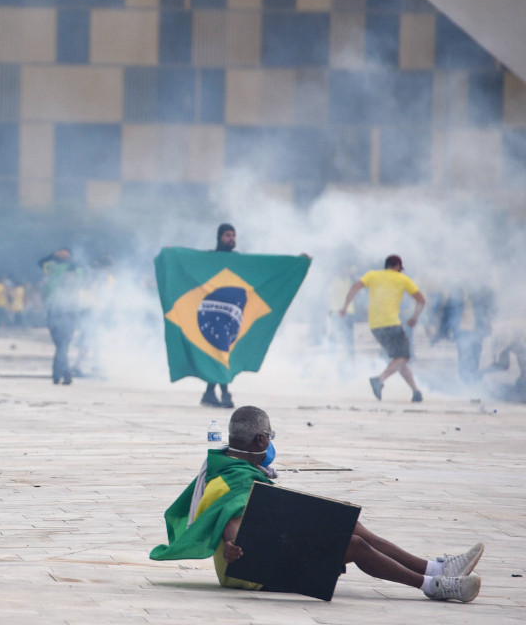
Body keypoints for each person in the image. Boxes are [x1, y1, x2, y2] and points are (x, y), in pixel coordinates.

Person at [150, 406, 483, 602]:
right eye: (270, 436)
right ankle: (433, 586)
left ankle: (435, 567)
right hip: (247, 569)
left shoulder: (225, 463)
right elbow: (232, 517)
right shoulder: (236, 478)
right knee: (353, 545)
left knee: (346, 524)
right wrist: (231, 542)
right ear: (261, 440)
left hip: (258, 549)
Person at [339, 255, 427, 402]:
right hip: (391, 323)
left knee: (398, 359)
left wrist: (344, 307)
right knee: (404, 357)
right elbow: (421, 300)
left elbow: (355, 287)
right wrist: (415, 317)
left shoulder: (372, 275)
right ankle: (379, 380)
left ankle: (416, 391)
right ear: (398, 266)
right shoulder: (402, 279)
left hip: (374, 325)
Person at [199, 223, 238, 408]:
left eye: (233, 235)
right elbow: (189, 264)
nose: (231, 239)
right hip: (212, 313)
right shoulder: (210, 259)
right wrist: (170, 255)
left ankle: (209, 392)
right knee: (219, 351)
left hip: (230, 314)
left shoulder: (238, 261)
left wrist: (297, 261)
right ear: (219, 237)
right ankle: (224, 393)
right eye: (227, 235)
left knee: (219, 352)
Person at [38, 248, 81, 385]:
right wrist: (53, 255)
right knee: (61, 345)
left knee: (62, 346)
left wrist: (55, 256)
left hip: (64, 313)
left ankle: (59, 374)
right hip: (58, 312)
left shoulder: (58, 270)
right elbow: (41, 263)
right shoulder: (56, 271)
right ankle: (63, 373)